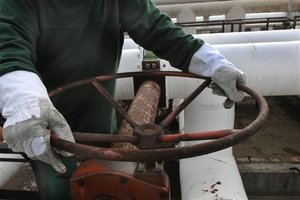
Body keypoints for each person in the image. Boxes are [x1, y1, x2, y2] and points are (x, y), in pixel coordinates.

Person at [0, 0, 246, 199]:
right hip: (45, 131)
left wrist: (215, 65)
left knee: (105, 184)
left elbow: (159, 30)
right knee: (61, 189)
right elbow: (10, 51)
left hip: (100, 120)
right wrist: (26, 106)